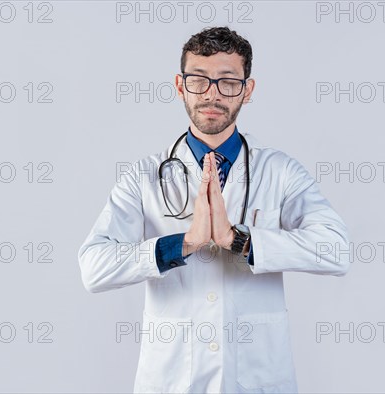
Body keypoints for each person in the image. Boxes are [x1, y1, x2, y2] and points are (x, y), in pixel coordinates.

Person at [78, 26, 350, 394]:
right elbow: (93, 267)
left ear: (247, 90)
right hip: (172, 378)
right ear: (180, 85)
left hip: (257, 376)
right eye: (199, 80)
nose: (212, 94)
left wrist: (237, 240)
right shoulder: (142, 177)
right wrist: (184, 244)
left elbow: (337, 250)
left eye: (228, 82)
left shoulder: (280, 171)